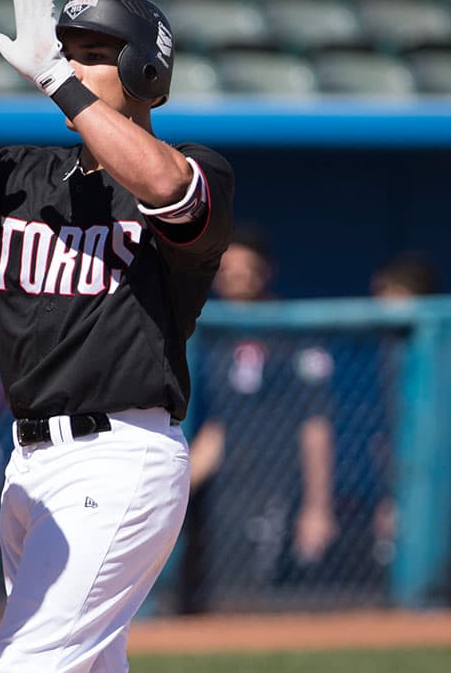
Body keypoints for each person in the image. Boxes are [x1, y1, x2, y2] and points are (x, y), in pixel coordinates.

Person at [0, 0, 235, 671]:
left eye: (91, 52)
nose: (68, 58)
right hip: (29, 463)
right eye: (65, 48)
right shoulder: (20, 172)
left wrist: (54, 78)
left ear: (145, 68)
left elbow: (166, 189)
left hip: (121, 456)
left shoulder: (198, 167)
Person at [180, 227, 338, 612]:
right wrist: (175, 488)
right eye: (226, 270)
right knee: (213, 596)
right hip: (222, 493)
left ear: (265, 271)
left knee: (256, 604)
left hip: (276, 488)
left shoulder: (292, 335)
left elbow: (316, 426)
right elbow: (219, 428)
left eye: (244, 269)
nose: (234, 278)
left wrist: (318, 506)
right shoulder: (213, 335)